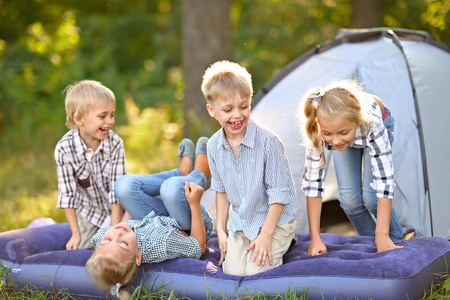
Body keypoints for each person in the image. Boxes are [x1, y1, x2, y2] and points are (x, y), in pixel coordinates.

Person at [201, 60, 298, 276]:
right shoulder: (214, 146)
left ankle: (285, 239)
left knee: (256, 274)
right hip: (242, 221)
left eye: (243, 106)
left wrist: (265, 236)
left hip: (275, 220)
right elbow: (221, 190)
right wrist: (221, 231)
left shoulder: (268, 142)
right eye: (228, 109)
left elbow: (279, 195)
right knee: (233, 273)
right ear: (212, 110)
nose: (237, 115)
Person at [85, 138, 211, 300]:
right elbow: (197, 247)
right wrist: (194, 203)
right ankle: (200, 175)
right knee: (170, 190)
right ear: (138, 256)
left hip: (157, 219)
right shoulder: (161, 244)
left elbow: (105, 237)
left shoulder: (105, 238)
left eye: (107, 239)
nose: (117, 232)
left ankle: (181, 173)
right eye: (123, 243)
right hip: (188, 225)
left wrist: (126, 207)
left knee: (123, 187)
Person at [297, 79, 408, 256]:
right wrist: (315, 238)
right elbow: (313, 185)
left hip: (372, 128)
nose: (335, 141)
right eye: (328, 134)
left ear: (356, 122)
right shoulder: (320, 132)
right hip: (349, 132)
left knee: (371, 199)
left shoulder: (372, 124)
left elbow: (384, 181)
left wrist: (383, 235)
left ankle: (393, 238)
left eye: (342, 133)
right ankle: (371, 243)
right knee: (350, 202)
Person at [55, 80, 126, 250]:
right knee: (84, 251)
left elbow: (116, 188)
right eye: (102, 116)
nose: (109, 121)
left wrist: (114, 227)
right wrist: (75, 234)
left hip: (116, 211)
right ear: (79, 119)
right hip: (89, 212)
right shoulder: (64, 149)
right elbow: (67, 195)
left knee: (118, 246)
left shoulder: (115, 143)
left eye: (112, 115)